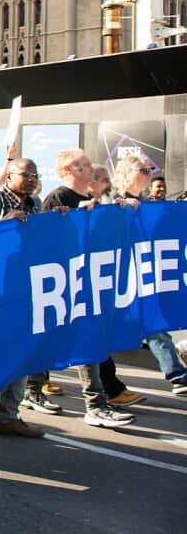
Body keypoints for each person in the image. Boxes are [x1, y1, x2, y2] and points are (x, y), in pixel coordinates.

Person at [39, 149, 138, 426]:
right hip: (64, 283)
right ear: (69, 170)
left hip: (88, 280)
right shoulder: (59, 197)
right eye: (82, 165)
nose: (90, 168)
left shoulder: (91, 199)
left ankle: (96, 403)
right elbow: (47, 239)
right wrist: (74, 218)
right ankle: (41, 392)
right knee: (54, 338)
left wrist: (119, 213)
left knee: (86, 338)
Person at [0, 158, 55, 436]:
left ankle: (8, 415)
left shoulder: (34, 205)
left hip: (22, 288)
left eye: (35, 174)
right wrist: (2, 225)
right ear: (9, 176)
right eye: (25, 174)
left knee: (23, 350)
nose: (31, 178)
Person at [112, 153, 187, 396]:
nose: (149, 175)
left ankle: (177, 374)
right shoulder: (114, 202)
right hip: (118, 277)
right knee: (103, 329)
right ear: (128, 175)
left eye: (149, 171)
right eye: (143, 171)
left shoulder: (148, 205)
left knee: (154, 322)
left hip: (143, 273)